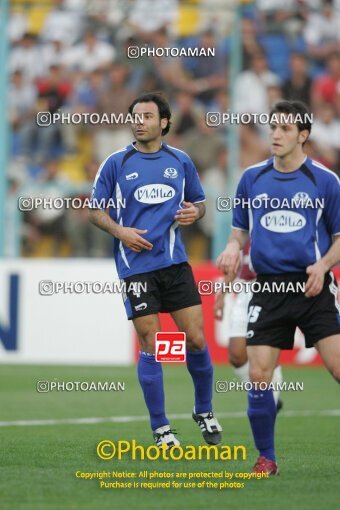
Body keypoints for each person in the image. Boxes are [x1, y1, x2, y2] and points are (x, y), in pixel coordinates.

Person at [88, 92, 222, 448]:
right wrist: (121, 231)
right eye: (135, 115)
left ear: (164, 122)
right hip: (135, 269)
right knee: (152, 342)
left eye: (147, 116)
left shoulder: (180, 161)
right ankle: (161, 428)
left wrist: (197, 213)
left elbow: (199, 204)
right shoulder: (116, 162)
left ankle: (204, 410)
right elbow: (94, 210)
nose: (139, 121)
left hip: (175, 264)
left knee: (195, 338)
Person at [217, 100, 340, 475]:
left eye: (285, 129)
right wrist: (231, 246)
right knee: (258, 375)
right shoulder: (252, 178)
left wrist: (322, 265)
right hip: (267, 290)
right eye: (273, 127)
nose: (275, 134)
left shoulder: (325, 180)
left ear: (303, 135)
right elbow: (239, 232)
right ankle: (266, 458)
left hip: (312, 286)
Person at [214, 240, 284, 409]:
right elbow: (234, 262)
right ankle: (263, 392)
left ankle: (268, 402)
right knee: (236, 356)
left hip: (271, 290)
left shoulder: (275, 222)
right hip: (246, 291)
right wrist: (222, 296)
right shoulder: (244, 227)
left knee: (266, 355)